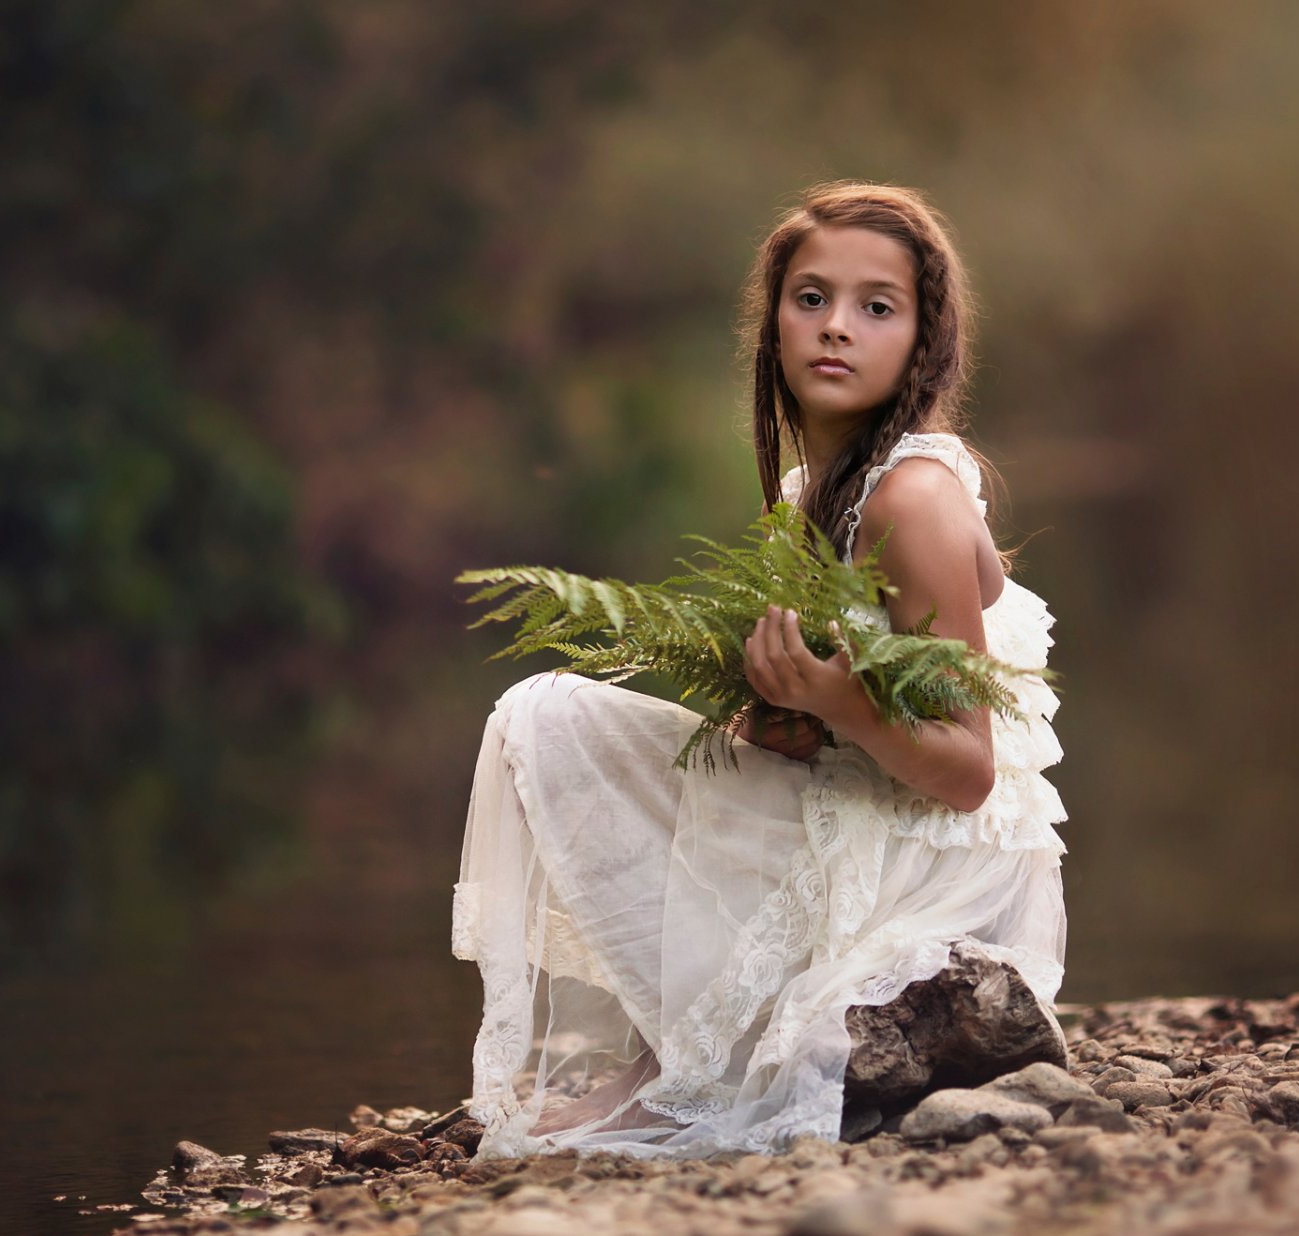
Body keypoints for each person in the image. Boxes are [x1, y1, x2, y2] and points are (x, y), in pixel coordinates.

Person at [451, 181, 1066, 1159]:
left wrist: (837, 701)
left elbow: (968, 769)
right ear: (774, 322)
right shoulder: (815, 490)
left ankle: (678, 1070)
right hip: (869, 802)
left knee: (557, 722)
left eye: (877, 307)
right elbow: (829, 725)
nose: (837, 327)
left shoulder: (912, 498)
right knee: (557, 718)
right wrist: (782, 713)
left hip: (936, 866)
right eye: (811, 298)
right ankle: (672, 1059)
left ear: (924, 340)